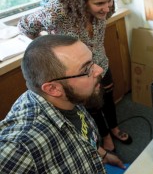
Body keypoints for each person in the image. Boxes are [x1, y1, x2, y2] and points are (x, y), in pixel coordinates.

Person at [18, 0, 132, 153]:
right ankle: (105, 135)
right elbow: (25, 26)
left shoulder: (107, 4)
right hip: (79, 72)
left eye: (109, 1)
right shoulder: (58, 10)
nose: (107, 8)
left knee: (107, 98)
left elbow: (107, 10)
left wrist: (104, 4)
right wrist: (49, 47)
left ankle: (114, 127)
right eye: (99, 4)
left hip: (100, 62)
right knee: (92, 104)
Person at [0, 35, 125, 173]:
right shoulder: (21, 148)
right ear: (53, 89)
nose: (99, 70)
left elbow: (81, 136)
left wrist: (103, 154)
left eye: (92, 61)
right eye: (86, 69)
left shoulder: (71, 95)